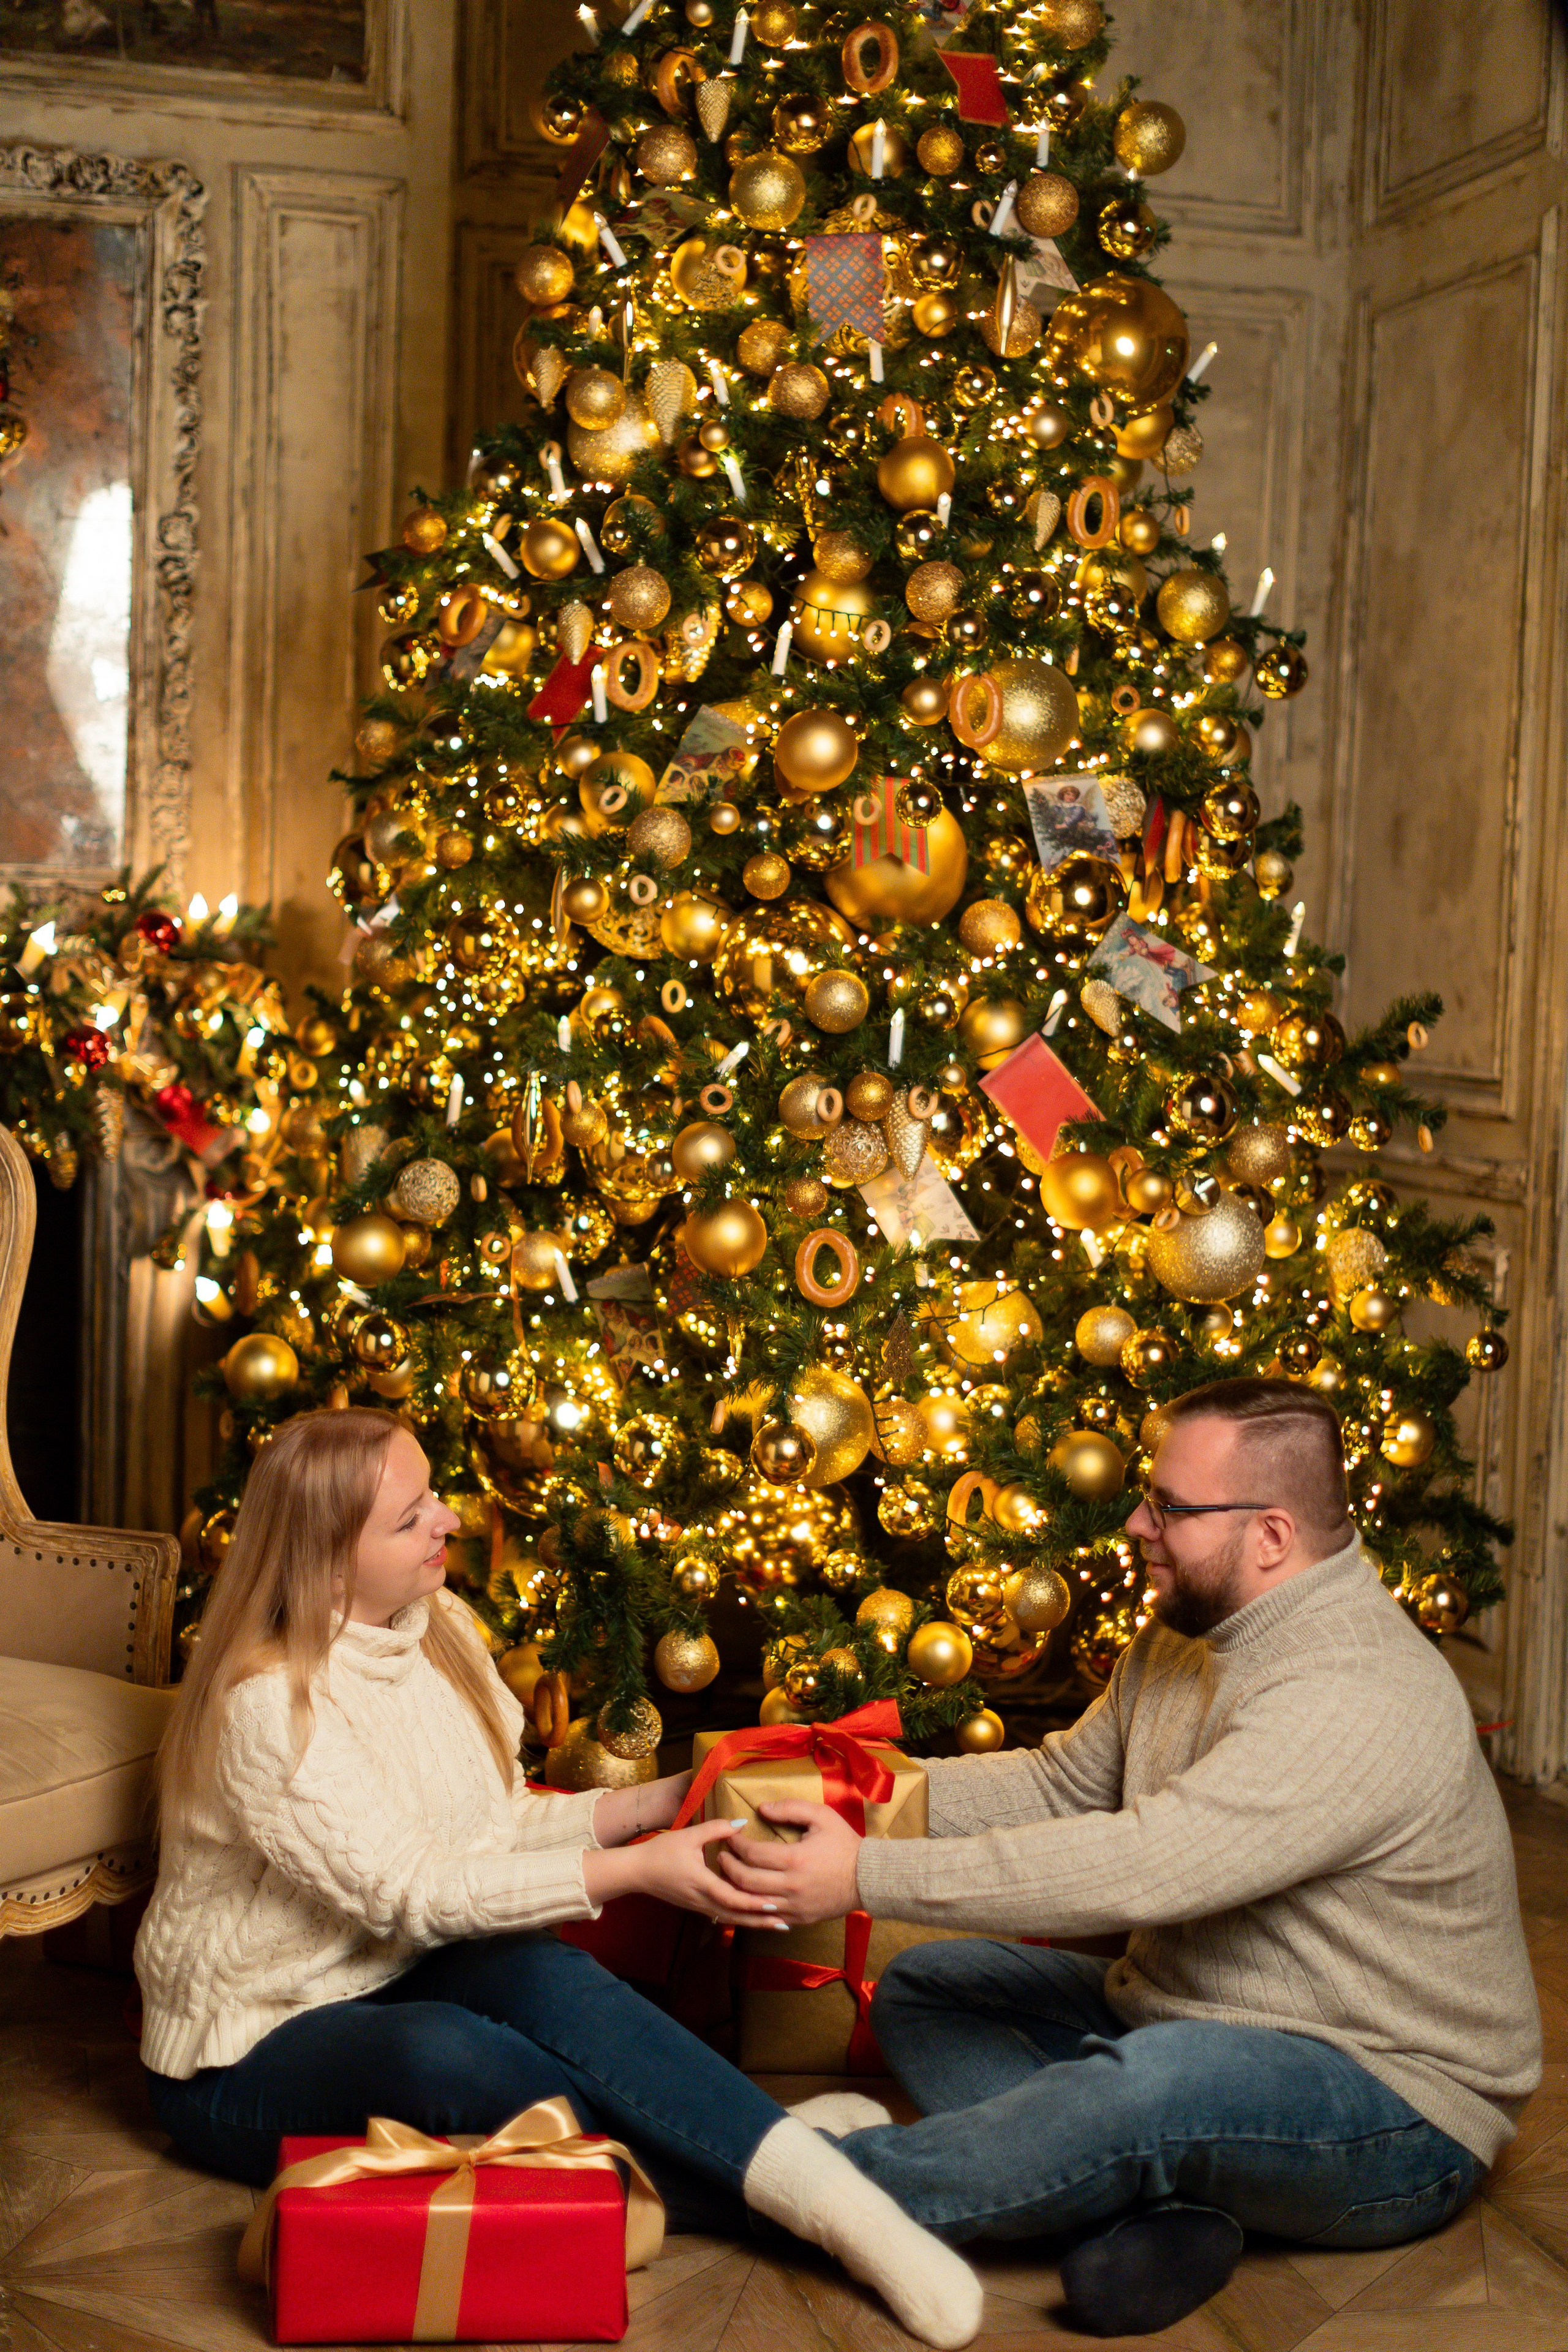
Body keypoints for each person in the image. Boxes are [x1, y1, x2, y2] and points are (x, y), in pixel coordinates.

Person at [135, 1408, 981, 2350]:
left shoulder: (437, 1627)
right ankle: (826, 2191)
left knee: (543, 1975)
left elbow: (492, 1825)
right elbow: (407, 1892)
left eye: (434, 1496)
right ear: (331, 1565)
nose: (449, 1521)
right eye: (412, 1519)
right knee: (448, 2056)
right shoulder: (267, 1703)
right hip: (243, 2050)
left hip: (385, 1966)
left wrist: (658, 1803)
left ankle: (778, 2159)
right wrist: (636, 1872)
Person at [717, 1376, 1543, 2339]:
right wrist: (857, 1796)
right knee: (927, 1990)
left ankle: (773, 2183)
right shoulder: (1195, 1628)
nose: (1139, 1525)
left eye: (1171, 1508)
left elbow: (1141, 1865)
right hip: (1189, 2018)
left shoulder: (1356, 1690)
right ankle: (1164, 2208)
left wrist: (864, 1877)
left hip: (1387, 2102)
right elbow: (1066, 1784)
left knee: (1152, 2085)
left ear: (1271, 1535)